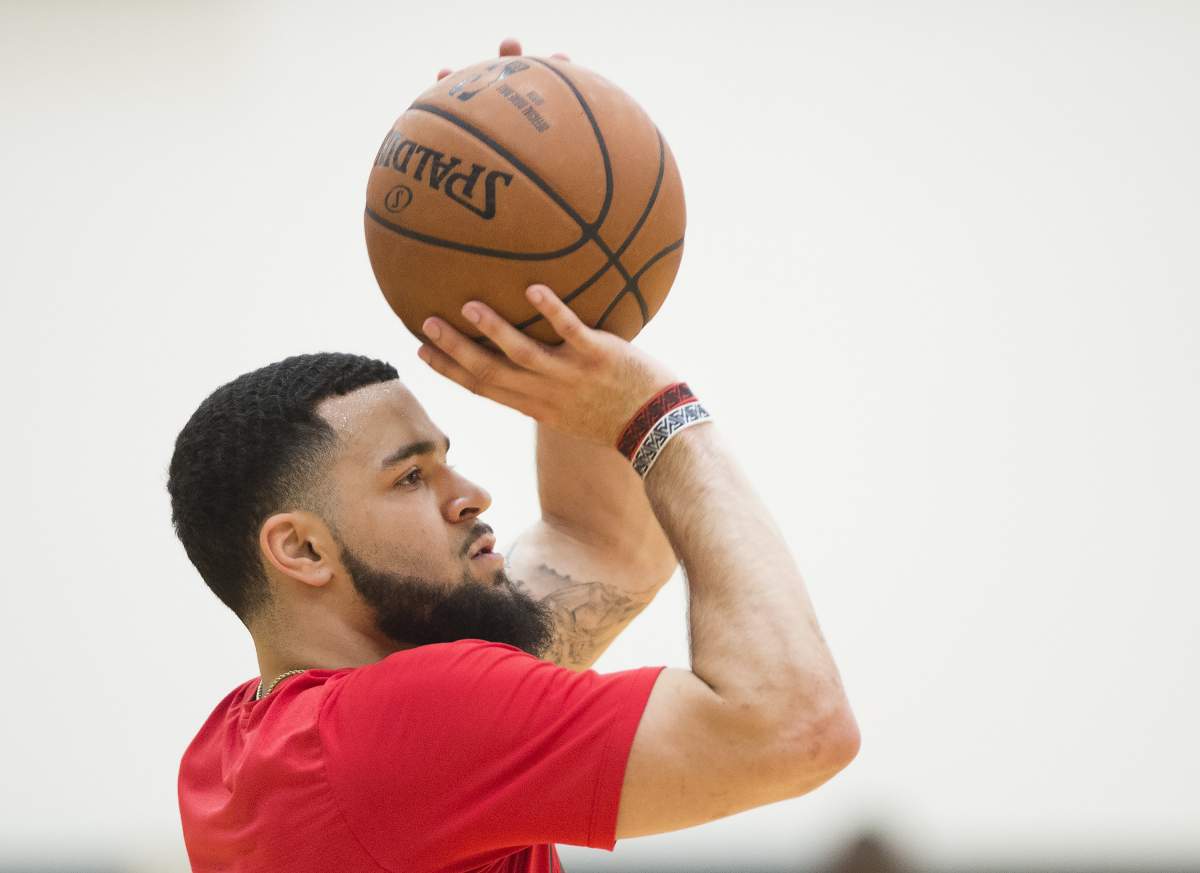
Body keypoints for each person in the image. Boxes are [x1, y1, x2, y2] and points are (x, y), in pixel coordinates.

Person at [171, 42, 858, 873]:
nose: (469, 494)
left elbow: (601, 545)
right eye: (412, 476)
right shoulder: (403, 728)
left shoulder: (240, 749)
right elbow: (797, 726)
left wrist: (561, 301)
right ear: (301, 548)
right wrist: (662, 411)